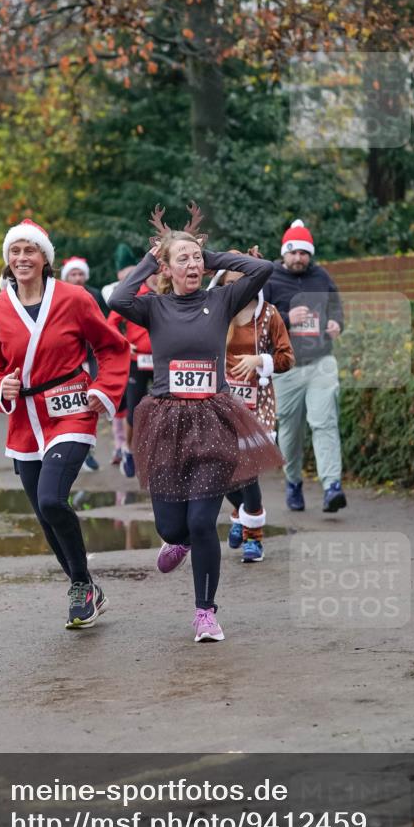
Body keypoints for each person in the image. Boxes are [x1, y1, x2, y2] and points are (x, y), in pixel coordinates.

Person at [109, 204, 283, 643]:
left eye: (195, 258)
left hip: (213, 418)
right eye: (181, 258)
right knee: (173, 526)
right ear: (167, 268)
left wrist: (216, 257)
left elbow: (263, 268)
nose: (191, 263)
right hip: (166, 420)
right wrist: (152, 258)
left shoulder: (220, 299)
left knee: (204, 521)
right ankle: (177, 541)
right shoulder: (155, 308)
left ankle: (205, 612)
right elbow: (117, 299)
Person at [0, 219, 129, 629]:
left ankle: (79, 587)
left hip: (72, 409)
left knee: (51, 500)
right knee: (45, 515)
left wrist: (105, 391)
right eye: (15, 252)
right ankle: (86, 586)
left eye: (30, 251)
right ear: (8, 260)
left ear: (45, 259)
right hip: (24, 420)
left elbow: (113, 347)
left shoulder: (74, 299)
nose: (22, 258)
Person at [210, 256, 294, 562]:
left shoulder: (269, 314)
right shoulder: (215, 313)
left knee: (247, 473)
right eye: (230, 284)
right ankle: (242, 512)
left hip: (258, 405)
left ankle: (253, 537)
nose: (237, 289)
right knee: (223, 473)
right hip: (220, 403)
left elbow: (286, 357)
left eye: (243, 281)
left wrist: (260, 361)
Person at [263, 219, 347, 513]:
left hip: (321, 361)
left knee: (324, 422)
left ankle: (332, 486)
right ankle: (294, 481)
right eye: (293, 252)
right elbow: (260, 320)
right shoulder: (270, 278)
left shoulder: (321, 277)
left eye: (304, 252)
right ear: (284, 252)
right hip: (286, 367)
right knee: (290, 430)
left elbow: (336, 307)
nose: (299, 258)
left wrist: (337, 323)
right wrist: (287, 318)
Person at [107, 271, 158, 479]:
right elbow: (110, 323)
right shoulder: (135, 294)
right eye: (154, 272)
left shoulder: (169, 293)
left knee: (166, 407)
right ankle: (128, 450)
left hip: (162, 362)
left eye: (161, 272)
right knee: (133, 408)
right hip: (137, 361)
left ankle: (157, 453)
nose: (158, 276)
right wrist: (124, 342)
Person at [60, 255, 108, 471]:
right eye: (73, 274)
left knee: (90, 402)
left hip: (91, 355)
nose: (78, 278)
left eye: (80, 274)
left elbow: (106, 326)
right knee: (68, 404)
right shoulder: (58, 296)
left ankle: (87, 452)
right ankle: (64, 449)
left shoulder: (95, 295)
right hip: (67, 356)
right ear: (66, 276)